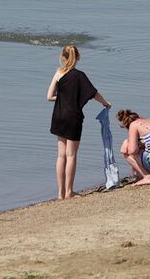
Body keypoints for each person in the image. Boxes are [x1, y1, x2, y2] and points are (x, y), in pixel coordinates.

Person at [47, 45, 111, 199]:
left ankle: (60, 193)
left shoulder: (58, 73)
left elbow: (49, 96)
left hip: (58, 115)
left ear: (63, 57)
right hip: (73, 117)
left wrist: (63, 98)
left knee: (60, 155)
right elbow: (93, 93)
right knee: (71, 155)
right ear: (78, 58)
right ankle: (69, 192)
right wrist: (105, 103)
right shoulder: (79, 75)